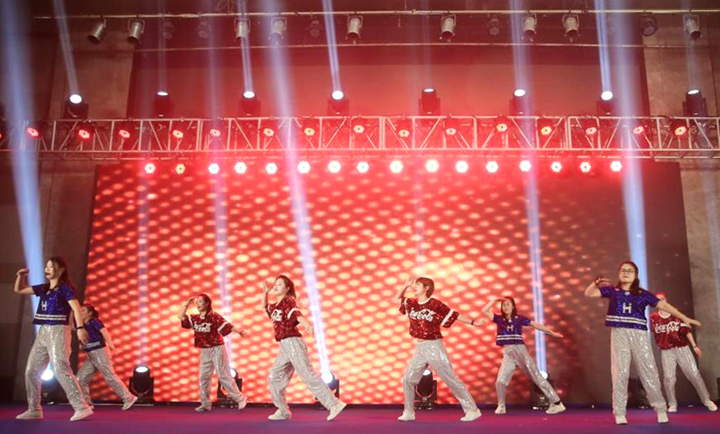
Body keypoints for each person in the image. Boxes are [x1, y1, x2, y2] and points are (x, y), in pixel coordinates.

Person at [584, 260, 701, 425]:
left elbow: (663, 305)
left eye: (630, 271)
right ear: (619, 274)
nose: (626, 273)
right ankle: (619, 412)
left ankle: (660, 409)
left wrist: (683, 317)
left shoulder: (642, 294)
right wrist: (595, 284)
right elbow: (588, 294)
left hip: (639, 333)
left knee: (649, 371)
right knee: (620, 372)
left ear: (635, 275)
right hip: (619, 333)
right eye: (623, 270)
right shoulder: (613, 291)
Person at [393, 276, 483, 422]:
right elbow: (396, 299)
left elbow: (454, 315)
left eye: (417, 285)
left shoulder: (435, 304)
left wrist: (473, 323)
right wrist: (405, 285)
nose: (414, 287)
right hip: (420, 347)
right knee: (408, 379)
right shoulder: (412, 303)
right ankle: (409, 412)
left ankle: (472, 410)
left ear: (426, 288)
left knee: (450, 379)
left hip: (434, 346)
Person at [14, 257, 93, 421]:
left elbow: (76, 308)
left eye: (52, 266)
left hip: (58, 330)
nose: (47, 269)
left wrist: (80, 328)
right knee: (31, 370)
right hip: (43, 331)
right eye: (47, 266)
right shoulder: (44, 288)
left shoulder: (65, 288)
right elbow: (20, 289)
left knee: (60, 367)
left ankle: (81, 406)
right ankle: (34, 409)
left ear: (61, 270)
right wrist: (20, 276)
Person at [262, 275, 346, 421]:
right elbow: (265, 307)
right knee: (274, 376)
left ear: (287, 289)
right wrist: (265, 293)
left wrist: (307, 325)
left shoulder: (288, 301)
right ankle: (283, 411)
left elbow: (296, 314)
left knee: (307, 375)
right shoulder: (275, 306)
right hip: (284, 346)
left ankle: (334, 404)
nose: (275, 286)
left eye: (280, 284)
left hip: (293, 343)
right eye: (275, 284)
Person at [481, 296, 566, 415]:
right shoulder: (499, 319)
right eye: (504, 305)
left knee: (536, 377)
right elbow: (484, 310)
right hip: (508, 353)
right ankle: (501, 406)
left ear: (513, 306)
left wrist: (551, 332)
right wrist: (494, 300)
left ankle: (557, 403)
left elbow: (535, 325)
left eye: (508, 304)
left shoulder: (519, 318)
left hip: (519, 350)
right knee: (500, 381)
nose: (506, 307)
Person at [178, 294, 248, 412]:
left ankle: (240, 398)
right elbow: (181, 317)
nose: (198, 304)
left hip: (217, 348)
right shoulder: (195, 318)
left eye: (201, 301)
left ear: (207, 303)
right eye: (197, 302)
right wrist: (186, 305)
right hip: (205, 350)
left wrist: (239, 331)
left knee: (223, 375)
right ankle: (205, 403)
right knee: (203, 377)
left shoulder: (213, 316)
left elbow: (227, 325)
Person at [649, 293, 717, 413]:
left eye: (662, 299)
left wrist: (694, 346)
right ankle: (672, 404)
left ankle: (707, 400)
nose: (661, 301)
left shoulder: (676, 314)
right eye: (658, 300)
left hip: (682, 348)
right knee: (669, 378)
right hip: (666, 351)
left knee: (694, 374)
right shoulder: (653, 318)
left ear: (666, 300)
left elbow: (686, 331)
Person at [76, 304, 137, 410]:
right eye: (79, 311)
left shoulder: (94, 321)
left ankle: (129, 397)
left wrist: (111, 345)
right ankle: (87, 403)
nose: (80, 313)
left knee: (109, 375)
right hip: (90, 355)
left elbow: (104, 331)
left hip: (100, 352)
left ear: (90, 313)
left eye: (83, 311)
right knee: (80, 378)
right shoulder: (81, 325)